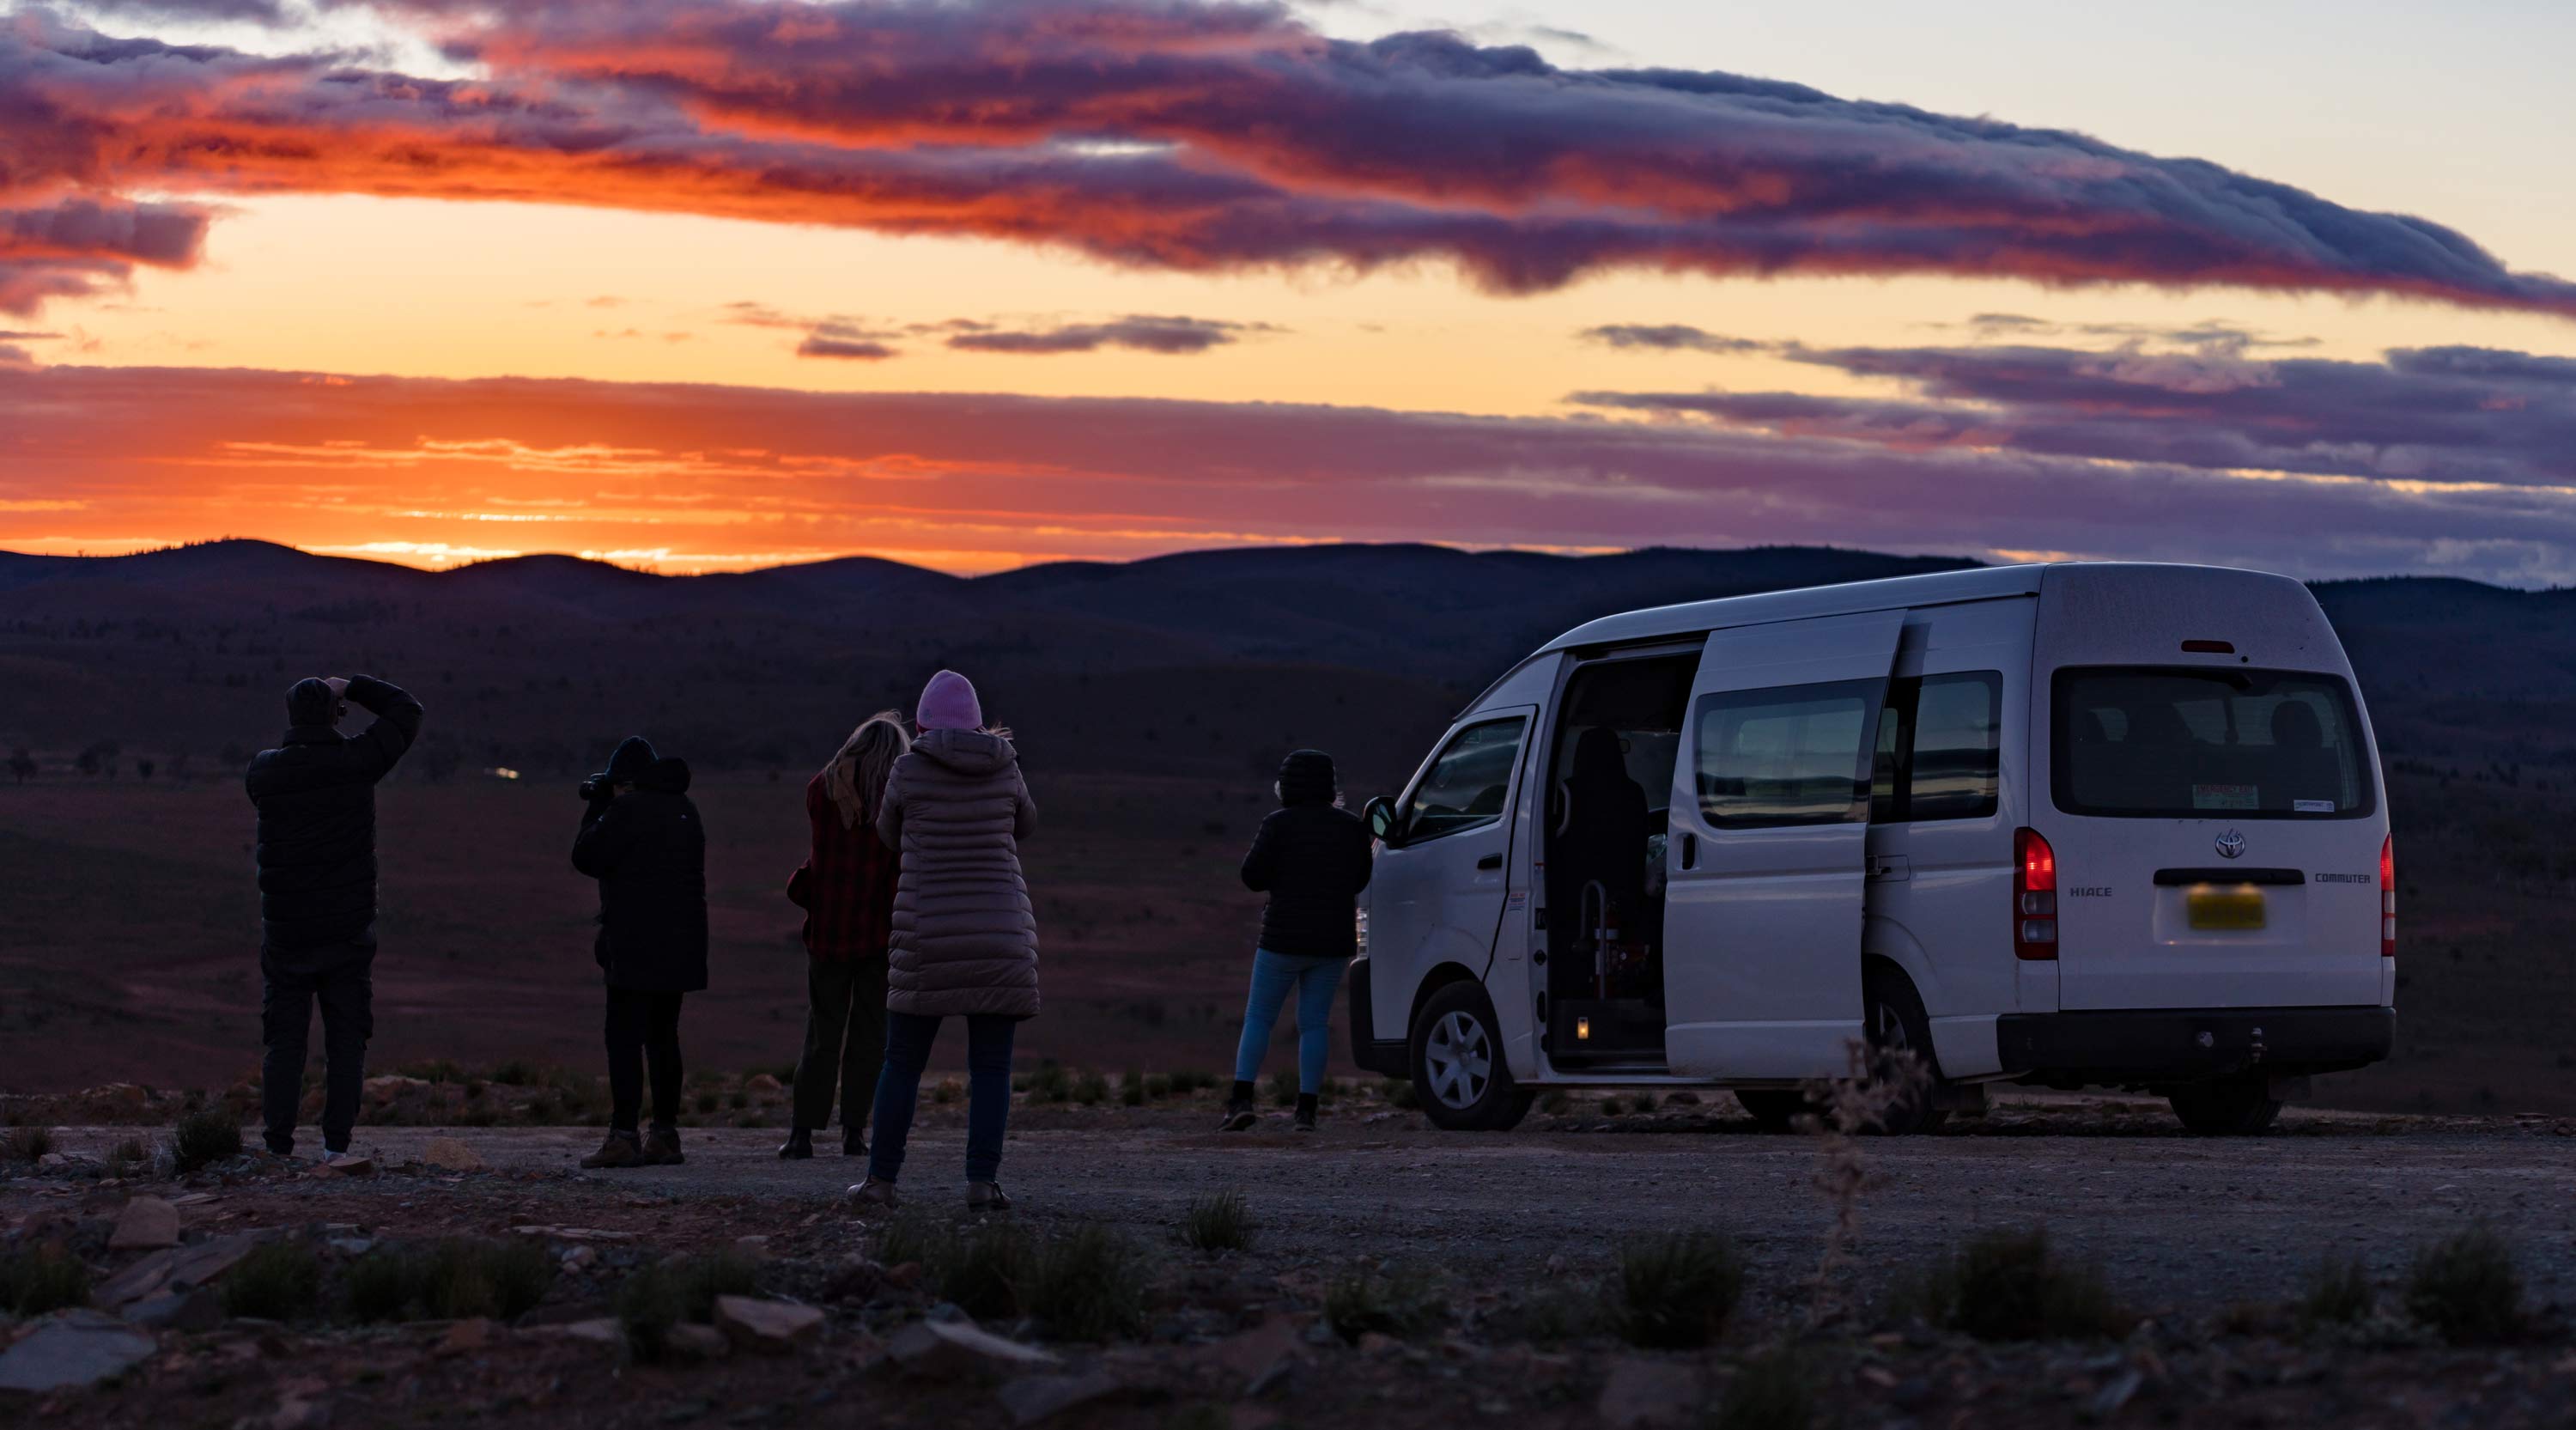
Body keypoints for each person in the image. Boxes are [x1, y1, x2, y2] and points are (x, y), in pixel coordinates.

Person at [849, 670, 1036, 1212]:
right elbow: (1027, 825)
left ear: (923, 721)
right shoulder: (1006, 767)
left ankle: (881, 1182)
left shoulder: (908, 770)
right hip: (1000, 934)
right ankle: (982, 1183)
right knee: (992, 1067)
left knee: (902, 1062)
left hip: (927, 933)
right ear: (979, 720)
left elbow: (886, 834)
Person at [245, 674, 425, 1166]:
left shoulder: (263, 772)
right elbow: (407, 711)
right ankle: (335, 1149)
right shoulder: (357, 762)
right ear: (334, 713)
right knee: (346, 1040)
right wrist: (353, 686)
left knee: (284, 1042)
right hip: (347, 933)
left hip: (287, 934)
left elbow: (268, 780)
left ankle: (278, 1147)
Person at [572, 736, 708, 1170]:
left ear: (623, 783)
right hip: (681, 944)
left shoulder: (625, 809)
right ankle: (665, 1135)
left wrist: (596, 805)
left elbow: (586, 856)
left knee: (624, 1040)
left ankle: (623, 1137)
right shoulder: (686, 810)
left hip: (633, 944)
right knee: (664, 1038)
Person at [1222, 749, 1374, 1133]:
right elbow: (1359, 880)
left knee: (1259, 1017)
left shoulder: (1277, 824)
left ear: (1286, 785)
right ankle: (1306, 1110)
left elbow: (1251, 876)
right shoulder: (1352, 827)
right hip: (1332, 942)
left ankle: (1241, 1100)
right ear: (1329, 784)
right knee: (1314, 1024)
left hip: (1281, 940)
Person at [781, 711, 910, 1160]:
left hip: (829, 933)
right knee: (870, 1036)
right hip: (877, 935)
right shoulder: (893, 802)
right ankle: (854, 1131)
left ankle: (802, 1132)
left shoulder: (822, 790)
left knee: (821, 1033)